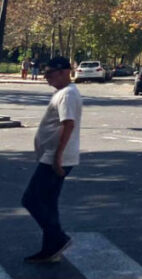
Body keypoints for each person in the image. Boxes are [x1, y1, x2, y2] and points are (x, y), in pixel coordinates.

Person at [20, 56, 81, 263]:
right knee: (48, 202)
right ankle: (50, 249)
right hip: (55, 156)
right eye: (45, 73)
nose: (46, 77)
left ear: (65, 72)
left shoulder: (67, 95)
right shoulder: (63, 93)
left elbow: (68, 124)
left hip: (56, 157)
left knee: (31, 199)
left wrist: (57, 157)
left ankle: (58, 239)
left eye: (50, 73)